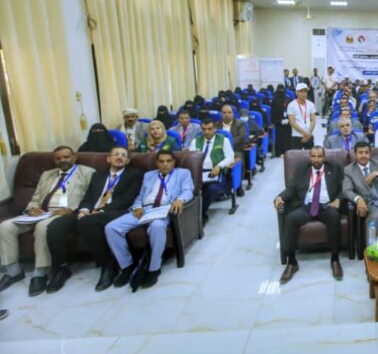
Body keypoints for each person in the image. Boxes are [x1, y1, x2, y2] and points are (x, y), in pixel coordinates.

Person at [45, 146, 143, 293]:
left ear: (128, 161)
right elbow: (89, 197)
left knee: (87, 222)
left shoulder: (134, 174)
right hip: (91, 212)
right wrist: (84, 210)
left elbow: (127, 199)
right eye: (115, 154)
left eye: (123, 155)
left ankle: (107, 265)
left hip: (116, 211)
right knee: (56, 225)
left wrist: (100, 211)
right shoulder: (98, 175)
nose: (119, 157)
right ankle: (61, 267)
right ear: (108, 159)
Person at [0, 146, 94, 296]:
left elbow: (91, 197)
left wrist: (72, 209)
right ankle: (13, 271)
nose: (62, 160)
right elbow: (36, 197)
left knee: (43, 227)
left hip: (64, 213)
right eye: (58, 158)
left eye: (66, 157)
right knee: (5, 226)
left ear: (74, 157)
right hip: (42, 213)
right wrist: (32, 209)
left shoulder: (87, 173)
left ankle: (40, 272)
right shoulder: (47, 175)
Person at [105, 150, 194, 289]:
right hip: (145, 210)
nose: (165, 164)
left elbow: (188, 190)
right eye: (161, 161)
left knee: (157, 226)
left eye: (168, 161)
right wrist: (136, 207)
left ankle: (154, 268)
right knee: (111, 227)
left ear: (174, 162)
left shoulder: (183, 173)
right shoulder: (149, 175)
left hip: (164, 210)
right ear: (157, 163)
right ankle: (127, 266)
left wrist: (180, 199)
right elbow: (141, 196)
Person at [274, 146, 344, 283]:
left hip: (326, 205)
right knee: (290, 219)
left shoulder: (334, 168)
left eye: (319, 156)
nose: (316, 159)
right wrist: (280, 197)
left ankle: (335, 260)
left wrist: (338, 199)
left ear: (324, 157)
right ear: (310, 157)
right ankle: (292, 262)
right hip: (307, 205)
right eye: (313, 156)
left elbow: (343, 188)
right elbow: (292, 188)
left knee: (334, 217)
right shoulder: (302, 169)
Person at [343, 141, 378, 242]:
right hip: (368, 204)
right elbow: (346, 190)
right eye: (360, 153)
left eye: (366, 152)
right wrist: (358, 199)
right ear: (355, 154)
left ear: (370, 154)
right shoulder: (348, 170)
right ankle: (371, 249)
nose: (363, 155)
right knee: (376, 216)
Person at [190, 119, 235, 221]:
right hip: (200, 173)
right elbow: (191, 158)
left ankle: (201, 215)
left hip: (216, 173)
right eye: (204, 129)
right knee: (190, 189)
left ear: (215, 128)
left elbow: (230, 158)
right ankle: (191, 215)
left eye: (209, 129)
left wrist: (219, 166)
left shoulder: (224, 140)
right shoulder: (195, 141)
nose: (206, 132)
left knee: (210, 189)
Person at [287, 83, 317, 150]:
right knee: (296, 156)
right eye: (301, 92)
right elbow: (292, 122)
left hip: (309, 134)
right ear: (297, 92)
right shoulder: (291, 105)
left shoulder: (311, 104)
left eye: (305, 92)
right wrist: (304, 133)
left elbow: (313, 120)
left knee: (310, 155)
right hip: (296, 135)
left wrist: (309, 133)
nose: (304, 94)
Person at [271, 84, 292, 157]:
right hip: (279, 122)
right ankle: (282, 152)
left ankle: (285, 151)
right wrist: (280, 120)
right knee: (280, 137)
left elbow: (292, 111)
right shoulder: (275, 100)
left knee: (285, 137)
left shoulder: (288, 99)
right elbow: (273, 112)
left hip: (285, 121)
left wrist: (288, 119)